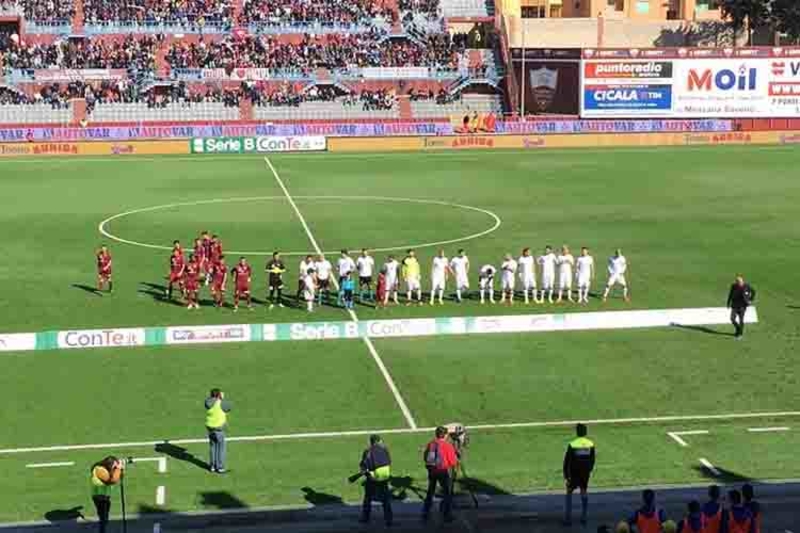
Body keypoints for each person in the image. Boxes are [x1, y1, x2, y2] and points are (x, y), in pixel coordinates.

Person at [422, 426, 458, 523]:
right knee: (447, 493)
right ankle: (446, 514)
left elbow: (425, 457)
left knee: (430, 491)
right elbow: (453, 462)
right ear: (445, 435)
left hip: (432, 470)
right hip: (442, 471)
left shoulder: (431, 443)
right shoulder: (447, 445)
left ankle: (425, 512)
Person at [563, 423, 596, 526]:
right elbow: (592, 459)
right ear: (585, 432)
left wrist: (566, 474)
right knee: (584, 492)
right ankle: (584, 517)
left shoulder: (572, 444)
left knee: (569, 492)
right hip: (585, 473)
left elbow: (567, 460)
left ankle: (568, 519)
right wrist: (589, 469)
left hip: (574, 473)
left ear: (577, 432)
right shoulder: (590, 444)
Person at [358, 434, 393, 526]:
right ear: (379, 441)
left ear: (371, 442)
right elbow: (389, 461)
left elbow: (364, 465)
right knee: (385, 499)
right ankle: (389, 519)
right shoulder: (385, 449)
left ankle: (365, 517)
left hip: (373, 478)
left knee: (368, 497)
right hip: (384, 476)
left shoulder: (368, 451)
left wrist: (365, 472)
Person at [90, 456, 124, 533]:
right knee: (103, 516)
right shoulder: (100, 470)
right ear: (109, 464)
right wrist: (118, 469)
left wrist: (119, 469)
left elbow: (117, 477)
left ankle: (103, 525)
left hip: (104, 495)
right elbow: (112, 480)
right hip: (99, 496)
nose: (115, 467)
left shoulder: (105, 468)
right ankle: (102, 530)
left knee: (105, 513)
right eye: (114, 465)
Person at [205, 388, 231, 474]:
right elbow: (228, 407)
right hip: (219, 429)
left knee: (213, 447)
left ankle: (212, 466)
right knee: (221, 448)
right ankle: (220, 467)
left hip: (209, 428)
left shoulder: (208, 402)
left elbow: (210, 401)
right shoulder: (221, 403)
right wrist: (222, 398)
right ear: (219, 395)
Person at [727, 274, 756, 340]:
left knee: (741, 320)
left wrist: (750, 300)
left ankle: (740, 334)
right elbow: (730, 294)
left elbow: (753, 291)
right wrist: (728, 303)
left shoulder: (746, 286)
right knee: (732, 319)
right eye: (737, 281)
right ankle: (738, 329)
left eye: (740, 281)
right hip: (735, 305)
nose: (738, 282)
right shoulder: (734, 286)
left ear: (742, 281)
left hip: (742, 306)